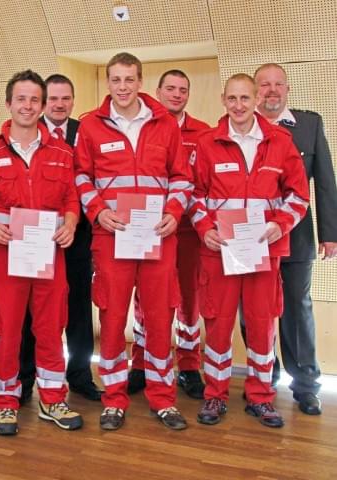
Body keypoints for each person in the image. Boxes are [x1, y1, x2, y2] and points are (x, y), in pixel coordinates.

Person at [75, 52, 192, 431]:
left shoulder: (164, 123)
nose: (122, 87)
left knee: (160, 317)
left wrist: (174, 213)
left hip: (159, 235)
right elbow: (80, 177)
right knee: (111, 319)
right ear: (107, 83)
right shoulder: (91, 125)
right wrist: (97, 212)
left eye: (129, 79)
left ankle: (163, 398)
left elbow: (182, 176)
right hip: (112, 237)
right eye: (116, 80)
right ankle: (113, 400)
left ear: (140, 81)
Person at [0, 69, 83, 436]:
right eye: (22, 99)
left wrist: (70, 223)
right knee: (9, 329)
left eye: (35, 100)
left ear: (42, 105)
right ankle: (5, 401)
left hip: (49, 253)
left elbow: (70, 197)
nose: (28, 106)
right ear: (8, 103)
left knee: (50, 328)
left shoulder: (63, 153)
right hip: (7, 253)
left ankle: (53, 397)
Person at [191, 73, 309, 428]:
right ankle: (215, 395)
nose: (239, 106)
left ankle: (260, 397)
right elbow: (194, 195)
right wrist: (204, 228)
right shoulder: (207, 143)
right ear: (223, 101)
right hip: (219, 251)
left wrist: (280, 225)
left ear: (256, 98)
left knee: (261, 326)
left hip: (262, 250)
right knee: (218, 325)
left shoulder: (280, 141)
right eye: (232, 99)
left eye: (245, 98)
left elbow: (299, 195)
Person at [250, 63, 337, 416]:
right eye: (264, 85)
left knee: (297, 312)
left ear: (287, 89)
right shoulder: (241, 125)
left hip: (297, 237)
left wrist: (330, 234)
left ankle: (305, 385)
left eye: (277, 84)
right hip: (251, 237)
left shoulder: (309, 124)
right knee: (253, 311)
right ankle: (262, 379)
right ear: (255, 91)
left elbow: (325, 180)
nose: (271, 91)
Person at [18, 74, 103, 403]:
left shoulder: (86, 134)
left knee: (79, 307)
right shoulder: (26, 131)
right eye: (52, 98)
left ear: (73, 100)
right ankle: (25, 378)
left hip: (77, 237)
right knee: (30, 311)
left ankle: (80, 375)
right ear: (41, 101)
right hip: (35, 236)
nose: (58, 104)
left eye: (65, 98)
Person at [128, 70, 211, 399]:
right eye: (170, 89)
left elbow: (202, 183)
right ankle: (140, 362)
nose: (176, 94)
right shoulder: (143, 128)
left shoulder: (203, 133)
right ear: (158, 92)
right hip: (146, 229)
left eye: (183, 90)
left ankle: (189, 365)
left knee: (189, 299)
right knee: (144, 299)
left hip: (189, 231)